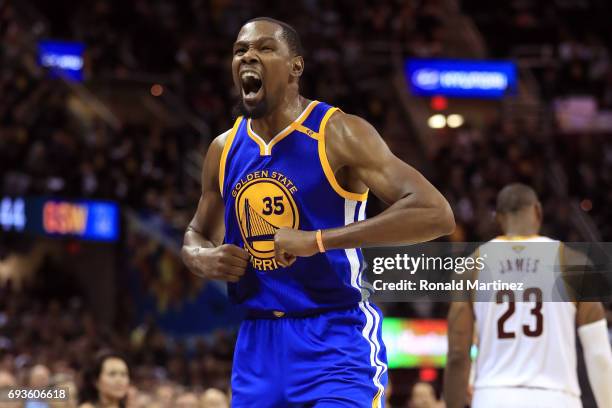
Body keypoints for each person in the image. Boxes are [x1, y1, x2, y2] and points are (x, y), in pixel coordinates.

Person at [182, 16, 454, 407]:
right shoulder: (223, 150)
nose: (248, 57)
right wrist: (202, 257)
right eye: (240, 50)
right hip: (257, 345)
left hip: (334, 337)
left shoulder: (338, 132)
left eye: (264, 48)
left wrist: (320, 240)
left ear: (296, 67)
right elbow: (195, 234)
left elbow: (435, 212)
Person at [443, 183, 612, 408]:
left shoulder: (470, 266)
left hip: (493, 397)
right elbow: (599, 354)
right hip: (557, 398)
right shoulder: (574, 263)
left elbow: (457, 354)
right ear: (538, 212)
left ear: (499, 219)